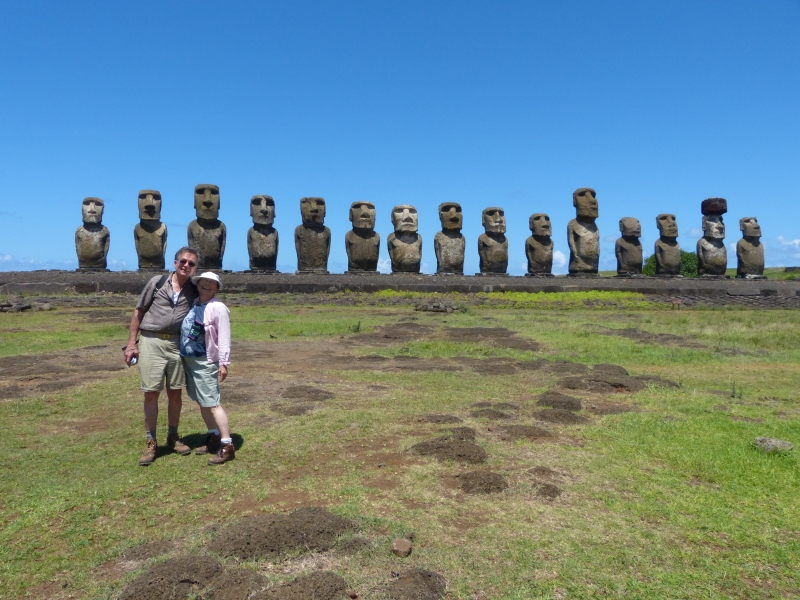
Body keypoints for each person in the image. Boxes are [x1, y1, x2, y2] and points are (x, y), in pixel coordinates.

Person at [124, 247, 199, 465]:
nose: (186, 266)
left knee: (175, 393)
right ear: (175, 263)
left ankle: (173, 436)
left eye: (191, 263)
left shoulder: (193, 290)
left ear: (195, 268)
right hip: (151, 340)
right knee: (151, 393)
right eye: (183, 261)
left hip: (176, 343)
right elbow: (139, 311)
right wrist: (131, 344)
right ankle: (151, 441)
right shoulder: (158, 282)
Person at [180, 271, 234, 465]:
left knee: (212, 403)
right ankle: (214, 436)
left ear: (217, 288)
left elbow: (225, 336)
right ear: (198, 284)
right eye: (204, 281)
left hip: (205, 360)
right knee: (202, 401)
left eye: (212, 283)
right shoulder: (194, 304)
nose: (207, 284)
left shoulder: (218, 307)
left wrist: (224, 363)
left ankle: (227, 444)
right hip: (189, 360)